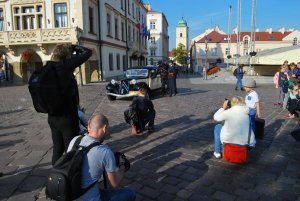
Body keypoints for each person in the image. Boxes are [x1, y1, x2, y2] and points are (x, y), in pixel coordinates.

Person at [67, 112, 136, 201]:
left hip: (70, 195)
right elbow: (113, 184)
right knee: (130, 192)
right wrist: (123, 166)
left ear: (88, 126)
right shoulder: (105, 151)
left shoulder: (74, 140)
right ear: (104, 128)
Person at [48, 44, 92, 165]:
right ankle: (70, 179)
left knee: (57, 149)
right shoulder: (64, 66)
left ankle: (56, 177)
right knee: (71, 150)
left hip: (53, 117)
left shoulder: (49, 67)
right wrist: (73, 47)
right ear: (66, 56)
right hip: (67, 117)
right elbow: (88, 52)